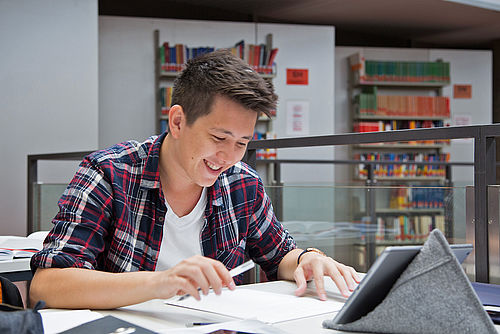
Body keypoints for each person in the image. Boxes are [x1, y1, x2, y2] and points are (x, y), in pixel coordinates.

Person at [29, 50, 359, 309]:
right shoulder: (108, 174)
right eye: (218, 138)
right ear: (177, 121)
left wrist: (308, 259)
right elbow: (48, 285)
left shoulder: (242, 183)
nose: (229, 156)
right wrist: (161, 283)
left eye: (242, 143)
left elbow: (278, 255)